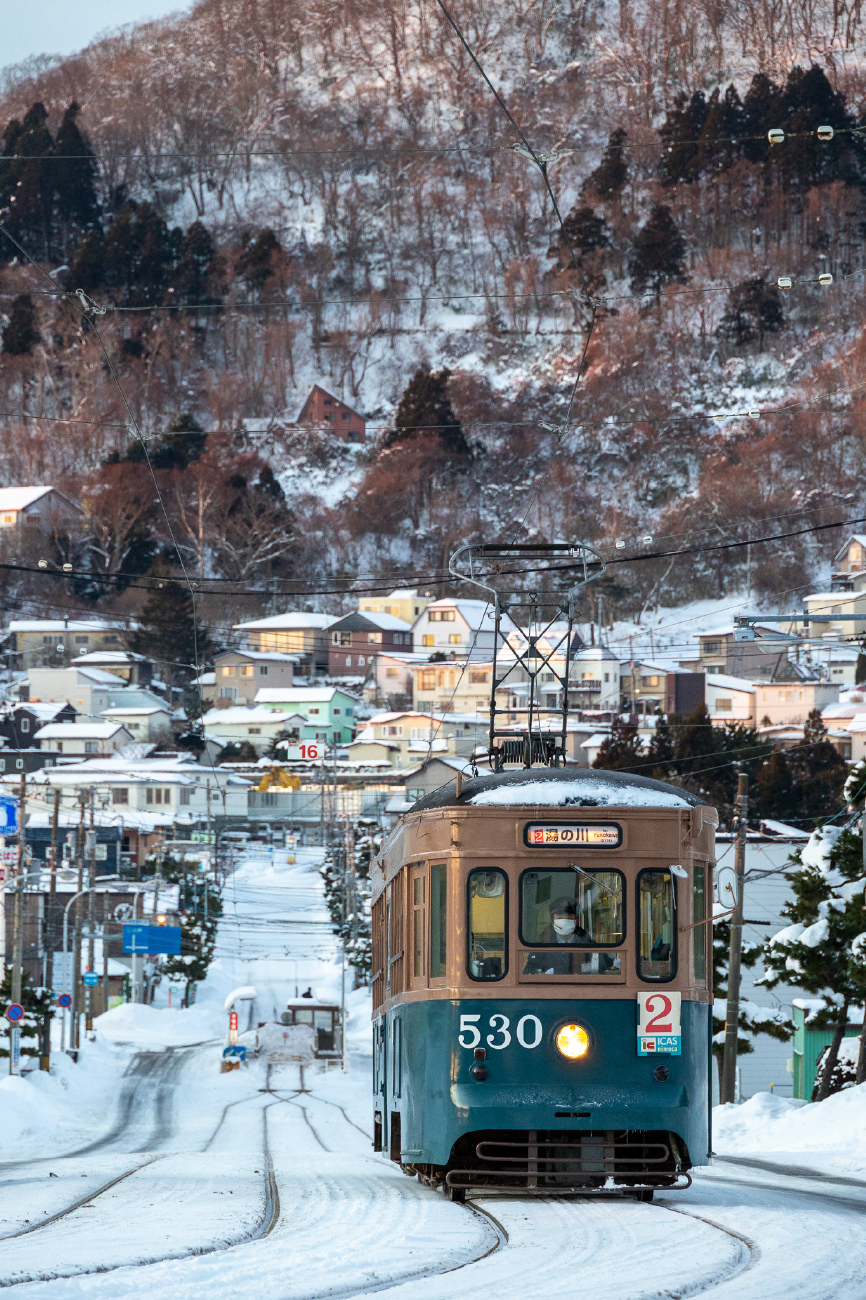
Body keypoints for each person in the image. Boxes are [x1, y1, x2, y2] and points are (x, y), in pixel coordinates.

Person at [524, 900, 591, 974]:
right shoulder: (541, 945)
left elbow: (602, 969)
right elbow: (529, 973)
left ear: (576, 921)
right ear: (552, 921)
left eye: (568, 918)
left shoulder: (588, 944)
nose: (564, 922)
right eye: (559, 918)